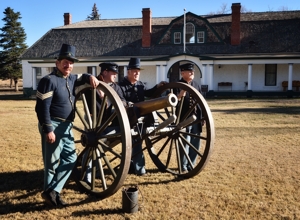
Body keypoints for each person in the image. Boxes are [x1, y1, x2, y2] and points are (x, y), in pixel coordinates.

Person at [35, 43, 100, 207]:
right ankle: (50, 195)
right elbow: (42, 108)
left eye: (71, 62)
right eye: (65, 61)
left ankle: (53, 191)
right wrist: (48, 129)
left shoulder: (71, 78)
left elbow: (82, 77)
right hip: (53, 125)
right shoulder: (48, 80)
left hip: (67, 127)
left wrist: (90, 76)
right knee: (51, 163)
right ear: (57, 62)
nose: (68, 65)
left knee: (71, 159)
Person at [118, 57, 167, 176]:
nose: (137, 73)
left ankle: (132, 166)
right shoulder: (120, 85)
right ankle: (138, 169)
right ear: (128, 71)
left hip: (141, 119)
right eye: (135, 71)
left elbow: (149, 93)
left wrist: (158, 87)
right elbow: (120, 100)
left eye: (138, 71)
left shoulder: (140, 85)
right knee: (134, 143)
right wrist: (128, 104)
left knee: (136, 143)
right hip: (128, 119)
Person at [83, 62, 127, 184]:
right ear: (105, 72)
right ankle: (87, 175)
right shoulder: (93, 82)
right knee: (92, 146)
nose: (115, 76)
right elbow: (81, 80)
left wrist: (121, 103)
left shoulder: (115, 86)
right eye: (113, 73)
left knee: (100, 146)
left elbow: (123, 100)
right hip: (93, 120)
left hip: (106, 120)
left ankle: (96, 169)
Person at [176, 62, 203, 172]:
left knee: (195, 142)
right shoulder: (177, 85)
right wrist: (181, 93)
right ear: (183, 73)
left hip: (196, 118)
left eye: (193, 71)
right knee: (185, 142)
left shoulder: (196, 85)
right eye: (189, 71)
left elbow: (201, 103)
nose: (192, 72)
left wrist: (203, 118)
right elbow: (174, 102)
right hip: (183, 119)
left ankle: (191, 164)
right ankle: (183, 165)